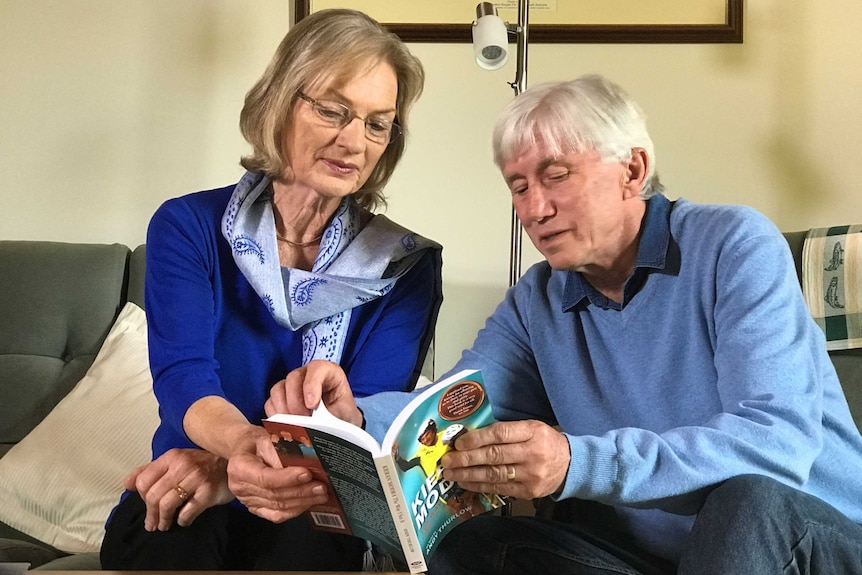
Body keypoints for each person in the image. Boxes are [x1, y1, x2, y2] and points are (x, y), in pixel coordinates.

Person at [268, 74, 862, 573]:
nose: (533, 209)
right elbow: (457, 403)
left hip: (808, 535)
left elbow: (776, 447)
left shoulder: (733, 244)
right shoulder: (538, 299)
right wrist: (354, 416)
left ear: (633, 170)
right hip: (647, 558)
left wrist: (576, 463)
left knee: (744, 503)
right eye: (518, 187)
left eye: (555, 176)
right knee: (462, 541)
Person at [100, 8, 441, 572]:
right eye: (334, 110)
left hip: (314, 493)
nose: (354, 140)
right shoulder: (187, 226)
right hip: (191, 466)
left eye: (377, 123)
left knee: (300, 544)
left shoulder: (403, 266)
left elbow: (365, 418)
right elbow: (183, 379)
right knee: (168, 531)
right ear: (279, 104)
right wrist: (235, 454)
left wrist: (229, 475)